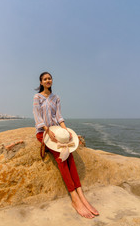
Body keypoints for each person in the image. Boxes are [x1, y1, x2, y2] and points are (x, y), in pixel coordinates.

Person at [33, 72, 99, 219]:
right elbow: (37, 117)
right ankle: (74, 198)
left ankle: (81, 195)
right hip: (44, 133)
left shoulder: (56, 98)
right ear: (41, 82)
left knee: (70, 156)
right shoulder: (37, 98)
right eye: (45, 79)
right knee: (62, 158)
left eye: (49, 78)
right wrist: (47, 131)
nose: (48, 80)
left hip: (57, 131)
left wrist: (65, 130)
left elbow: (59, 117)